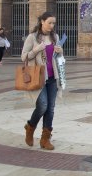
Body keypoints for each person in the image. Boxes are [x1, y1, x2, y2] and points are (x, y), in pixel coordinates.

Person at [22, 12, 63, 150]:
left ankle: (45, 139)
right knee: (43, 106)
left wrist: (60, 51)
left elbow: (57, 58)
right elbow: (24, 57)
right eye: (49, 22)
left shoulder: (55, 37)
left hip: (52, 77)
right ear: (42, 22)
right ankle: (30, 127)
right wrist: (36, 50)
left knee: (50, 109)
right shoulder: (32, 37)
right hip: (38, 77)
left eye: (53, 23)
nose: (52, 25)